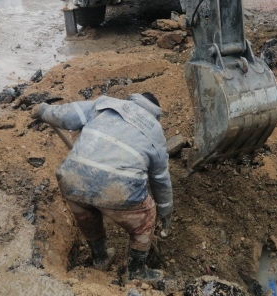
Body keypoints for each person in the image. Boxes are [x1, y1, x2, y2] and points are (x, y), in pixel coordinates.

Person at [32, 93, 172, 282]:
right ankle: (135, 272)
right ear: (155, 113)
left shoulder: (105, 104)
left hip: (72, 178)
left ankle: (100, 258)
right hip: (119, 189)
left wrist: (43, 110)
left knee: (86, 215)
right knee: (146, 220)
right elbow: (160, 179)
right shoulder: (156, 132)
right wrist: (165, 211)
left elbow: (66, 115)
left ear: (132, 100)